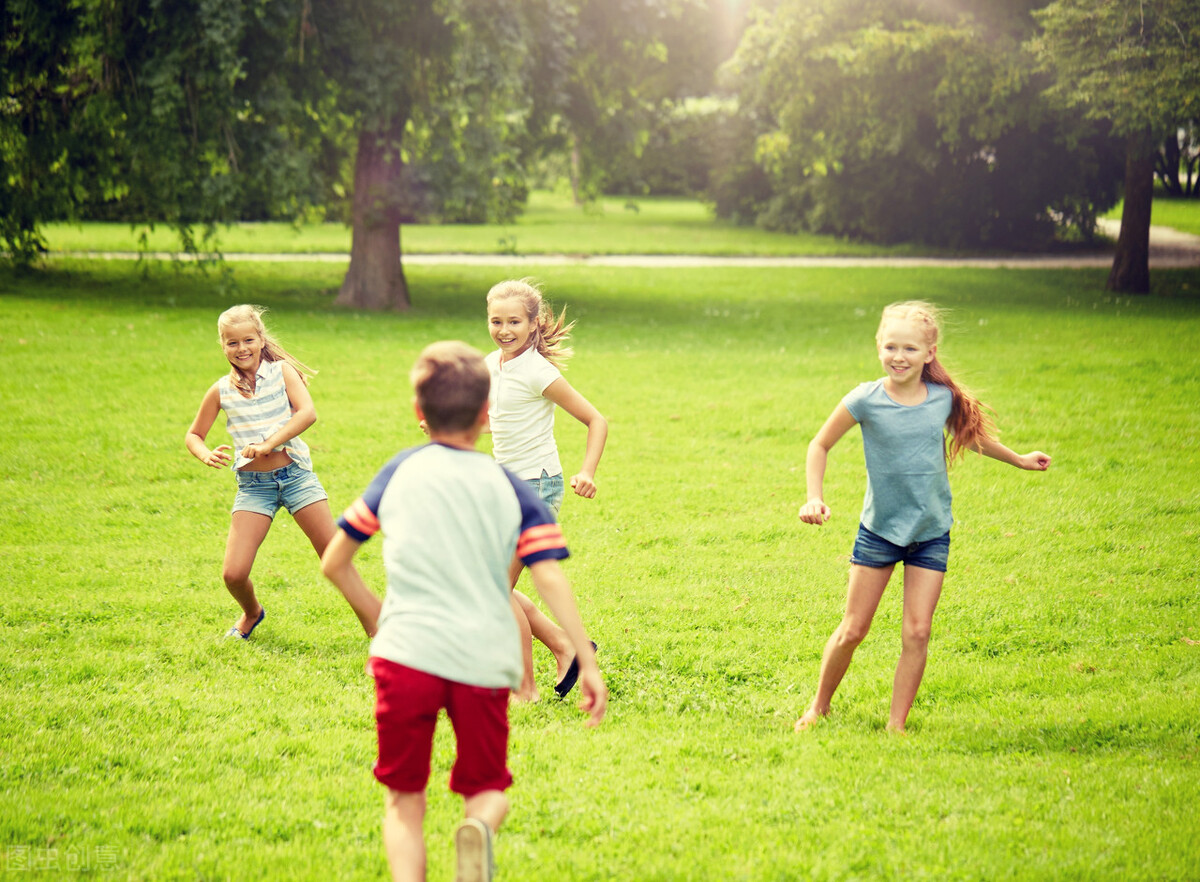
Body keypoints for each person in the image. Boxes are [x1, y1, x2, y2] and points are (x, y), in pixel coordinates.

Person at [321, 340, 606, 882]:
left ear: (418, 413)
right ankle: (477, 830)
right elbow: (549, 575)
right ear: (485, 415)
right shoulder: (511, 487)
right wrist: (584, 661)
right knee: (487, 790)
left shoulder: (398, 473)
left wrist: (381, 621)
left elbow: (335, 563)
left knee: (404, 802)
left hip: (405, 658)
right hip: (480, 660)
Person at [793, 300, 1051, 734]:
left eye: (910, 349)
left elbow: (974, 440)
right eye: (890, 346)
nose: (899, 356)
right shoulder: (865, 400)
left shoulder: (942, 400)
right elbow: (818, 445)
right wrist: (813, 498)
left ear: (929, 353)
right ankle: (819, 706)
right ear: (878, 346)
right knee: (854, 629)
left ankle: (897, 726)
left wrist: (1020, 460)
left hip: (931, 532)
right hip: (880, 531)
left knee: (917, 632)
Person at [185, 304, 347, 639]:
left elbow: (307, 414)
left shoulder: (281, 371)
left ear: (260, 339)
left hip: (296, 477)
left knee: (335, 559)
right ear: (223, 346)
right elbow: (193, 434)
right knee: (233, 573)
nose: (241, 348)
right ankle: (251, 612)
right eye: (232, 343)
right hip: (254, 486)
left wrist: (268, 443)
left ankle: (380, 630)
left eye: (248, 340)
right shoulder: (220, 390)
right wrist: (204, 453)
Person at [483, 279, 608, 703]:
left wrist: (587, 470)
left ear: (533, 323)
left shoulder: (538, 370)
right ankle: (564, 646)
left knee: (495, 590)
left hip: (537, 487)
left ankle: (525, 687)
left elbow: (596, 420)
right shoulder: (491, 365)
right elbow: (495, 420)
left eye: (514, 321)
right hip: (505, 488)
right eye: (496, 321)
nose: (504, 329)